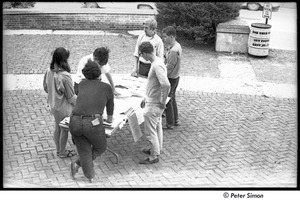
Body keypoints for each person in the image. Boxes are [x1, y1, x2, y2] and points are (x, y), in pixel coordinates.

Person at [69, 59, 114, 183]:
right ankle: (78, 164)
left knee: (84, 150)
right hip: (93, 123)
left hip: (75, 121)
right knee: (101, 147)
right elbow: (110, 113)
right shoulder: (106, 87)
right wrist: (108, 119)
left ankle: (90, 176)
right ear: (99, 73)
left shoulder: (82, 84)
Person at [139, 41, 170, 164]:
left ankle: (154, 156)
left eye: (142, 54)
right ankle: (156, 149)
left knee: (150, 132)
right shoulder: (157, 62)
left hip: (154, 104)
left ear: (146, 53)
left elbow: (166, 84)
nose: (141, 57)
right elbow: (156, 85)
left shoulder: (156, 65)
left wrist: (162, 101)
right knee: (157, 128)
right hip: (153, 101)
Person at [43, 47, 77, 158]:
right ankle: (62, 152)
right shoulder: (65, 76)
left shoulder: (49, 70)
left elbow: (45, 87)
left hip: (53, 105)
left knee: (57, 127)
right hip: (64, 108)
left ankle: (58, 150)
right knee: (64, 129)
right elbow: (71, 97)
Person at [162, 26, 182, 129]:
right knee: (172, 98)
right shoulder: (177, 46)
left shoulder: (174, 51)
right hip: (176, 77)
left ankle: (170, 123)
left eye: (165, 37)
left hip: (171, 78)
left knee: (168, 100)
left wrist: (161, 76)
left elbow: (169, 67)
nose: (163, 39)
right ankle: (175, 119)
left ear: (171, 37)